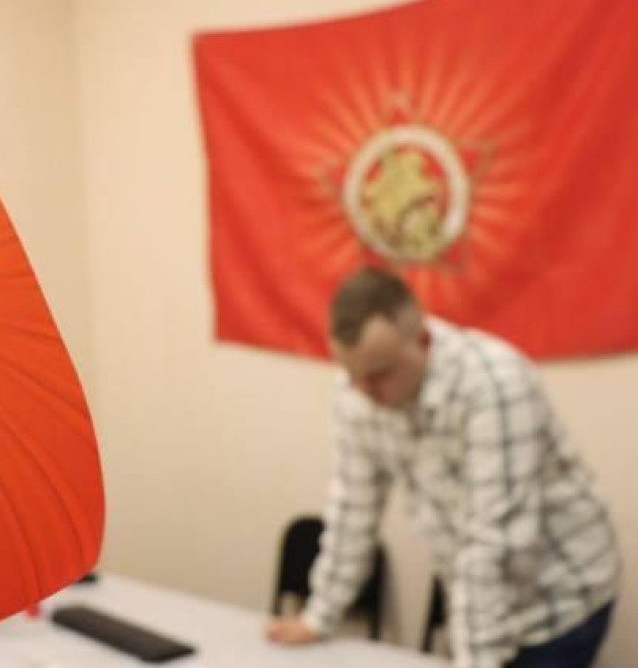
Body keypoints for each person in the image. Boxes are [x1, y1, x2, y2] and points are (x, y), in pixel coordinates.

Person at [266, 266, 621, 668]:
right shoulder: (359, 390)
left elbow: (493, 545)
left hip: (559, 597)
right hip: (484, 600)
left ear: (422, 341)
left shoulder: (495, 386)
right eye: (352, 375)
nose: (364, 391)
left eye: (379, 374)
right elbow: (353, 508)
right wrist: (319, 615)